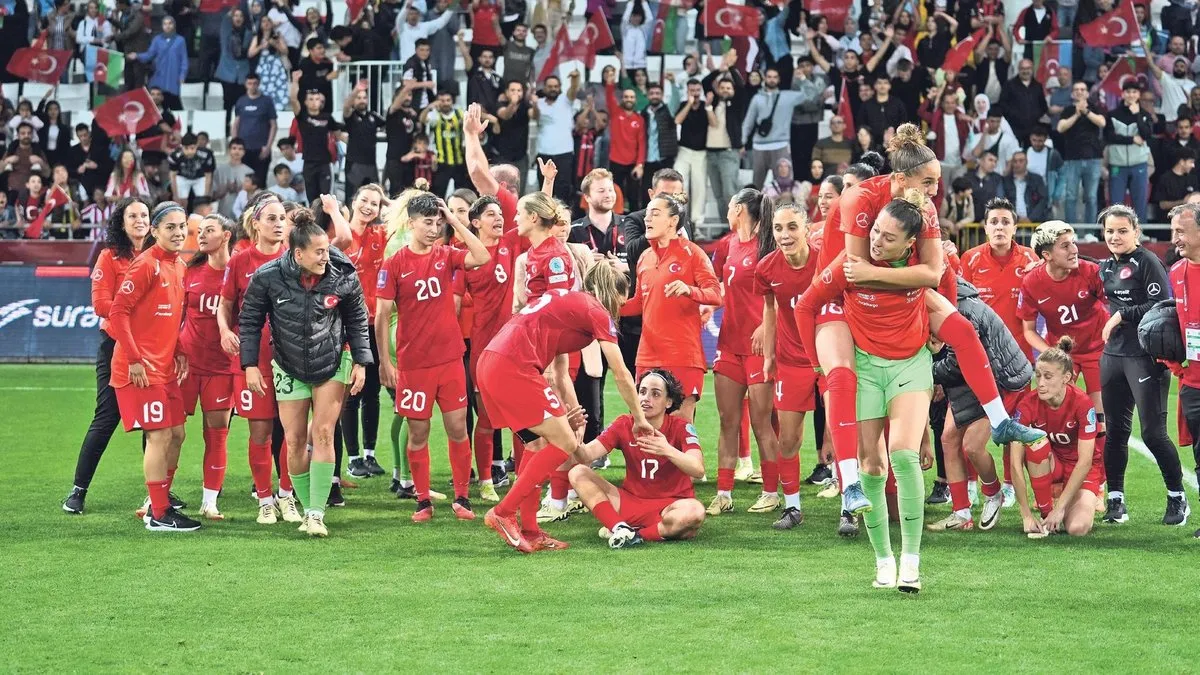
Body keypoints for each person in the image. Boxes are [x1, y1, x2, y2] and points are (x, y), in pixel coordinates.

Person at [811, 124, 1044, 529]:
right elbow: (856, 272)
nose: (936, 191)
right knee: (847, 393)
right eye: (929, 182)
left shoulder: (923, 207)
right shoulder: (861, 200)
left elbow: (936, 273)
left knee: (960, 334)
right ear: (902, 179)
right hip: (842, 293)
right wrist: (813, 356)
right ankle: (850, 485)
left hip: (891, 294)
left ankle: (999, 421)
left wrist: (941, 319)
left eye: (937, 182)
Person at [796, 192, 937, 592]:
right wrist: (818, 366)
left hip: (910, 363)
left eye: (889, 238)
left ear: (909, 244)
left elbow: (941, 289)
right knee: (872, 465)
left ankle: (911, 563)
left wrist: (939, 331)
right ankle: (883, 561)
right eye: (875, 230)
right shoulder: (851, 263)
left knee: (904, 455)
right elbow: (805, 305)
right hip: (867, 367)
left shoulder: (923, 265)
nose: (876, 241)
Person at [480, 264, 653, 553]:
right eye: (621, 303)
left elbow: (558, 372)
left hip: (496, 361)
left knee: (537, 446)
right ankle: (503, 511)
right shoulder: (596, 310)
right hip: (514, 366)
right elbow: (621, 372)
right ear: (612, 294)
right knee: (565, 444)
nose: (619, 311)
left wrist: (567, 411)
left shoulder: (568, 301)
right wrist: (640, 418)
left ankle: (531, 531)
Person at [239, 209, 371, 537]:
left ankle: (315, 513)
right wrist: (250, 365)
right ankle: (304, 503)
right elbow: (250, 321)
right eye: (319, 252)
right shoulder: (267, 276)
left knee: (323, 432)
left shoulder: (343, 273)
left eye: (327, 250)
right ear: (298, 254)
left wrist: (360, 361)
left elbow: (357, 319)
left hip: (331, 361)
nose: (326, 257)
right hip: (288, 364)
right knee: (295, 440)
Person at [375, 193, 491, 523]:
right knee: (418, 433)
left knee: (457, 428)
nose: (433, 228)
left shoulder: (446, 254)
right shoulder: (394, 264)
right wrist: (385, 362)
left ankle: (462, 498)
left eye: (437, 222)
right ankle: (423, 500)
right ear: (411, 223)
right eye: (427, 222)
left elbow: (482, 255)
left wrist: (454, 221)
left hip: (450, 360)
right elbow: (381, 316)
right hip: (414, 364)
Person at [1097, 205, 1188, 525]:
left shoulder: (1148, 261)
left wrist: (1122, 315)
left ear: (1136, 232)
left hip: (1146, 357)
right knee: (1114, 432)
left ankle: (1177, 497)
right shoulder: (1107, 266)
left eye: (1122, 230)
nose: (1115, 236)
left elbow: (1161, 304)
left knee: (1152, 433)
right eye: (1109, 231)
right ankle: (1116, 500)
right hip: (1113, 356)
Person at [106, 202, 193, 531]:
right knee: (159, 435)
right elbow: (118, 313)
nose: (179, 232)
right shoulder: (145, 264)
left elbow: (171, 317)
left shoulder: (180, 265)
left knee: (177, 434)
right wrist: (134, 359)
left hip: (165, 368)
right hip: (140, 370)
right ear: (154, 231)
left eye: (182, 226)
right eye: (170, 227)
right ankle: (158, 514)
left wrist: (179, 349)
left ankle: (159, 501)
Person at [62, 198, 150, 514]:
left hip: (152, 347)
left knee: (154, 421)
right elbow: (100, 305)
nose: (140, 220)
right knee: (107, 417)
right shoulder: (109, 257)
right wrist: (137, 312)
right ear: (121, 223)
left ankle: (157, 493)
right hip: (116, 346)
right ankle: (78, 491)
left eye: (144, 215)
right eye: (132, 215)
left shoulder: (158, 256)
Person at [218, 194, 303, 525]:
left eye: (282, 218)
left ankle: (286, 495)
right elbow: (226, 304)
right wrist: (225, 330)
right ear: (255, 223)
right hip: (253, 359)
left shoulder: (296, 258)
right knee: (260, 433)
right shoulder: (240, 261)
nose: (279, 224)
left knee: (293, 433)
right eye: (271, 218)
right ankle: (265, 501)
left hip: (291, 357)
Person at [926, 276, 1034, 532]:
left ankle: (994, 493)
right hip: (970, 381)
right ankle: (961, 513)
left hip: (1000, 380)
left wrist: (928, 373)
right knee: (948, 439)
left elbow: (956, 364)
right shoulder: (946, 302)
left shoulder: (962, 311)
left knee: (973, 446)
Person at [569, 369, 706, 548]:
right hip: (630, 502)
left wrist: (667, 450)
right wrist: (571, 434)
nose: (646, 398)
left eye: (655, 394)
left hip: (671, 504)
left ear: (669, 402)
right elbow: (585, 455)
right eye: (642, 392)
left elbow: (698, 469)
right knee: (578, 472)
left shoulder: (682, 427)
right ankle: (620, 527)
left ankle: (633, 534)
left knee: (694, 511)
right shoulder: (624, 423)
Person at [708, 189, 782, 517]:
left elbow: (783, 292)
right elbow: (719, 286)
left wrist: (767, 326)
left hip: (758, 348)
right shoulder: (727, 245)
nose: (727, 212)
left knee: (762, 422)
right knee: (728, 421)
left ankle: (771, 492)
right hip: (728, 344)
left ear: (739, 209)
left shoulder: (769, 246)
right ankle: (723, 493)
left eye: (729, 207)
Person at [619, 194, 722, 423]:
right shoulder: (644, 258)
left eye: (655, 213)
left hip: (682, 354)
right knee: (645, 424)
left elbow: (715, 293)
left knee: (680, 425)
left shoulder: (692, 253)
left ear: (673, 221)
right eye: (647, 214)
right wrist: (610, 307)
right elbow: (639, 303)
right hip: (647, 354)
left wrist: (689, 290)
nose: (647, 218)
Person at [1019, 221, 1108, 472]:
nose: (1074, 250)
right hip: (1064, 354)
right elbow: (1028, 330)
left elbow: (1116, 303)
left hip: (1097, 350)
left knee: (1099, 419)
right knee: (1056, 414)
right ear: (1047, 255)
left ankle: (1099, 481)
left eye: (1073, 243)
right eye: (1065, 246)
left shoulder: (1090, 272)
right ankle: (1059, 475)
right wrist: (1052, 353)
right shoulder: (1032, 282)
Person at [754, 201, 821, 530]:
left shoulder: (826, 261)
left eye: (792, 227)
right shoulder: (767, 268)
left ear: (806, 229)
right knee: (789, 439)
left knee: (844, 435)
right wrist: (769, 355)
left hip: (829, 359)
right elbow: (770, 310)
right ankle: (793, 507)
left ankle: (848, 509)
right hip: (792, 361)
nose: (785, 235)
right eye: (778, 228)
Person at [455, 195, 522, 503]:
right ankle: (485, 482)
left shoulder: (511, 242)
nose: (499, 218)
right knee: (485, 419)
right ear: (476, 222)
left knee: (521, 418)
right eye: (491, 214)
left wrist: (548, 181)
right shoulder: (465, 258)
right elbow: (454, 306)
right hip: (484, 347)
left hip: (515, 346)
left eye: (500, 213)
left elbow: (538, 218)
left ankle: (522, 478)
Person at [1009, 339, 1102, 538]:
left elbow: (1085, 461)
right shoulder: (1026, 405)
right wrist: (1026, 515)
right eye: (1038, 375)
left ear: (1066, 378)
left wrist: (1060, 509)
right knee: (1036, 444)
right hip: (1053, 464)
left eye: (1048, 376)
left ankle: (1072, 499)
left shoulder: (1083, 404)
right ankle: (1046, 512)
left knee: (1077, 529)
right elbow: (1015, 463)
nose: (1041, 383)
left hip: (1081, 469)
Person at [179, 214, 237, 521]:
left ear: (226, 235)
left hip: (221, 367)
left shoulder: (239, 272)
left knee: (216, 435)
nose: (200, 235)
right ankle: (156, 496)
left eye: (209, 230)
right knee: (170, 434)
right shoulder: (190, 270)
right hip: (186, 364)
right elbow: (177, 315)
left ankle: (210, 501)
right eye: (199, 231)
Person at [339, 185, 389, 481]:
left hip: (373, 322)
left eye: (375, 203)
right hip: (346, 324)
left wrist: (388, 202)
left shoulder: (380, 235)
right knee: (351, 391)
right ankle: (353, 458)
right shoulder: (341, 235)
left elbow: (403, 218)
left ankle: (369, 454)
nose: (369, 207)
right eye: (365, 200)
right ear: (353, 201)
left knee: (372, 391)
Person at [1165, 204, 1200, 538]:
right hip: (1193, 382)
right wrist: (1174, 364)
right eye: (1173, 231)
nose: (1175, 238)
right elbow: (1174, 325)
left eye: (1181, 231)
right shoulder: (1176, 272)